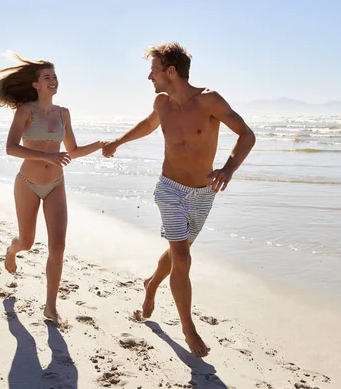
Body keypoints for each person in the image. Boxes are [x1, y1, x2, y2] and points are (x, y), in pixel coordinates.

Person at [102, 42, 256, 357]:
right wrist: (118, 141)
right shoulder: (162, 104)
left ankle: (151, 284)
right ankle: (188, 328)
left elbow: (246, 134)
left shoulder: (209, 100)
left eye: (154, 71)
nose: (150, 77)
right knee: (183, 259)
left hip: (203, 194)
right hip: (169, 189)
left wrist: (228, 168)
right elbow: (147, 126)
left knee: (177, 253)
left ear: (171, 72)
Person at [0, 52, 104, 326]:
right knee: (27, 242)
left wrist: (103, 144)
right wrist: (46, 156)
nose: (53, 81)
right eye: (47, 78)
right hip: (27, 184)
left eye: (55, 77)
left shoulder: (63, 113)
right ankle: (12, 250)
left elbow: (74, 151)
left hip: (56, 184)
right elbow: (11, 148)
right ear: (36, 84)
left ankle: (51, 307)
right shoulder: (26, 112)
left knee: (58, 247)